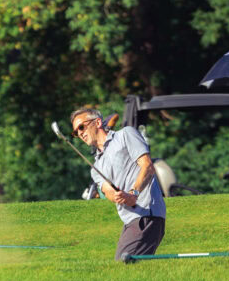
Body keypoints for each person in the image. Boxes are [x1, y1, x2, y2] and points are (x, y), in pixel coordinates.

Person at [70, 107, 166, 261]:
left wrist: (133, 193)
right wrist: (116, 196)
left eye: (81, 127)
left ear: (98, 122)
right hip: (130, 220)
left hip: (147, 214)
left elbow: (147, 166)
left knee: (123, 266)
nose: (79, 133)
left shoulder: (126, 134)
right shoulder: (96, 167)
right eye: (75, 132)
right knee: (130, 270)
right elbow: (108, 191)